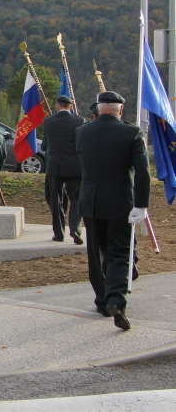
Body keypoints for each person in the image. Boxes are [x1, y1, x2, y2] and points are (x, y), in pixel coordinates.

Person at [75, 91, 150, 330]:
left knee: (95, 254)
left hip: (91, 202)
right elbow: (143, 172)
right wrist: (141, 205)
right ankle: (116, 300)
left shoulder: (82, 132)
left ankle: (102, 300)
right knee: (119, 252)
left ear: (97, 110)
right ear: (121, 110)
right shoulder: (132, 133)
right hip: (120, 202)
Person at [42, 95, 86, 244]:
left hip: (55, 165)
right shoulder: (80, 122)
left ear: (57, 106)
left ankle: (59, 233)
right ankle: (75, 228)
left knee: (55, 199)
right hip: (75, 166)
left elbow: (45, 145)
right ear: (71, 106)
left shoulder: (48, 122)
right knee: (77, 198)